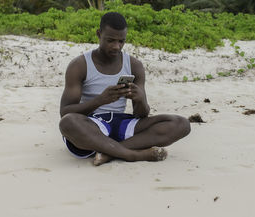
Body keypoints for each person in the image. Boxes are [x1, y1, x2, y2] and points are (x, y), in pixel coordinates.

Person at [59, 12, 190, 165]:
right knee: (68, 122)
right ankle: (132, 155)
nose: (117, 46)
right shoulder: (80, 65)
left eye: (121, 41)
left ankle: (110, 153)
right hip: (93, 124)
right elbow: (65, 112)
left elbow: (141, 114)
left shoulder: (134, 65)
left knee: (181, 124)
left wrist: (140, 99)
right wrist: (100, 101)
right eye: (110, 40)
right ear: (99, 34)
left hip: (123, 124)